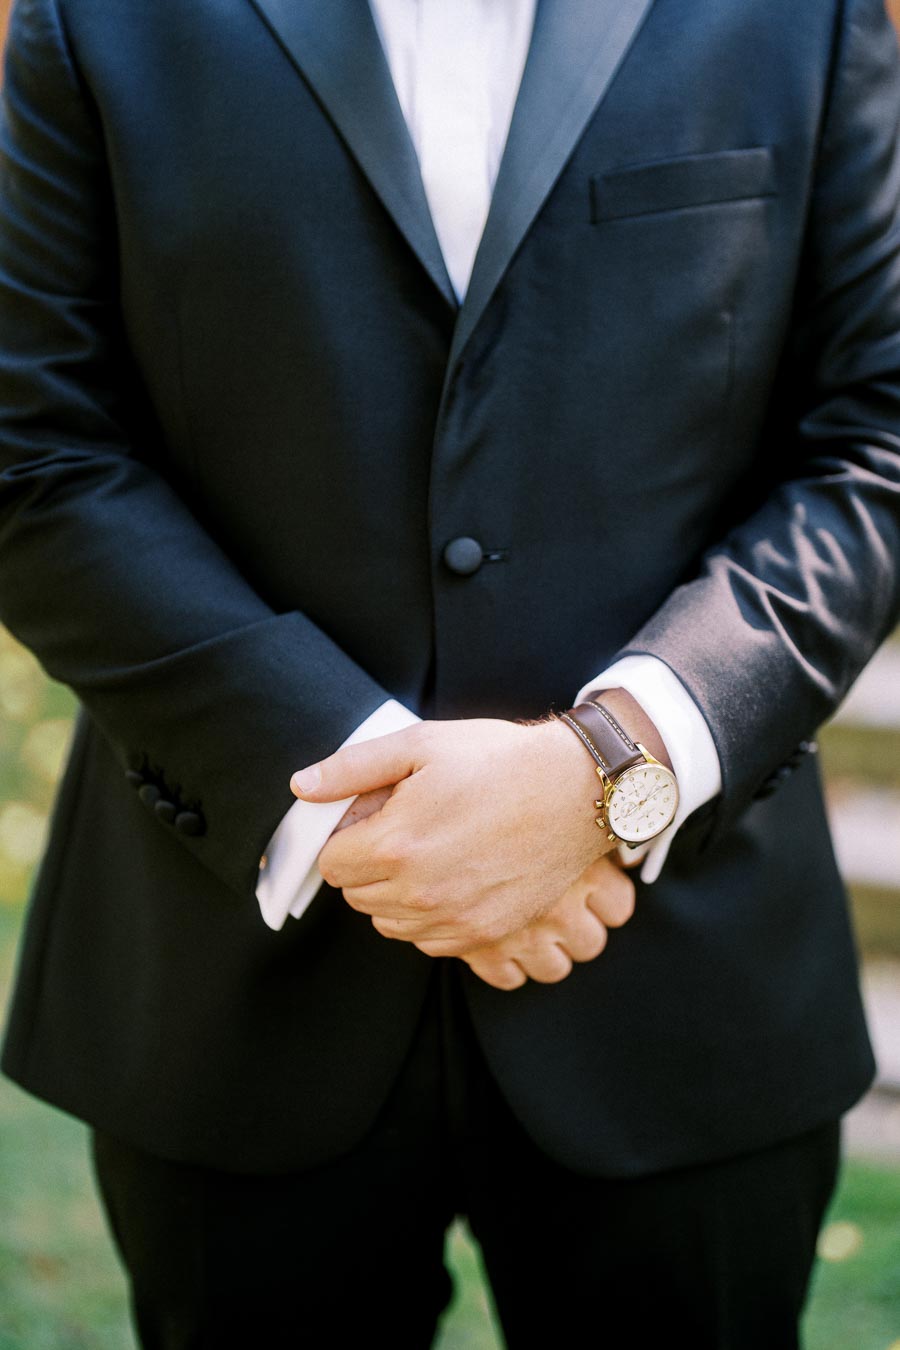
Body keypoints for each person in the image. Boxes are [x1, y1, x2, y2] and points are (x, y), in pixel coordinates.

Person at [1, 0, 899, 1345]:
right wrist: (354, 790)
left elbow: (876, 438)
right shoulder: (93, 16)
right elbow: (35, 449)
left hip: (680, 988)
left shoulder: (803, 16)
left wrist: (613, 764)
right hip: (233, 982)